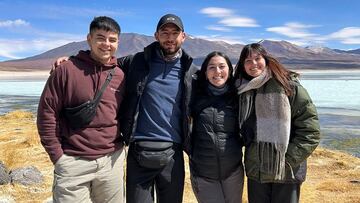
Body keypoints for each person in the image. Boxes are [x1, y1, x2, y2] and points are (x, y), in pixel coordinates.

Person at [37, 16, 126, 202]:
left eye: (112, 40)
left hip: (112, 162)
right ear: (89, 39)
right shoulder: (66, 70)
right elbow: (47, 113)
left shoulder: (120, 74)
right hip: (73, 161)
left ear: (118, 42)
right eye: (100, 38)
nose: (106, 44)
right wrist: (58, 157)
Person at [118, 13, 198, 203]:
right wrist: (74, 59)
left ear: (183, 37)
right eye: (165, 32)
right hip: (139, 151)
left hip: (173, 154)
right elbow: (103, 63)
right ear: (156, 35)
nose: (170, 38)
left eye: (174, 33)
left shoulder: (191, 71)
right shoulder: (136, 61)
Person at [234, 43, 320, 203]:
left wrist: (287, 160)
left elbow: (310, 132)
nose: (253, 64)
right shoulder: (243, 92)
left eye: (257, 58)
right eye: (247, 60)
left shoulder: (289, 87)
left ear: (266, 60)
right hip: (257, 171)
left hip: (286, 172)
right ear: (242, 65)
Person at [189, 51, 244, 203]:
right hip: (203, 173)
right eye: (212, 67)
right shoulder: (194, 96)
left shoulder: (239, 96)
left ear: (230, 70)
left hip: (233, 171)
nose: (217, 72)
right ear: (205, 72)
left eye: (222, 66)